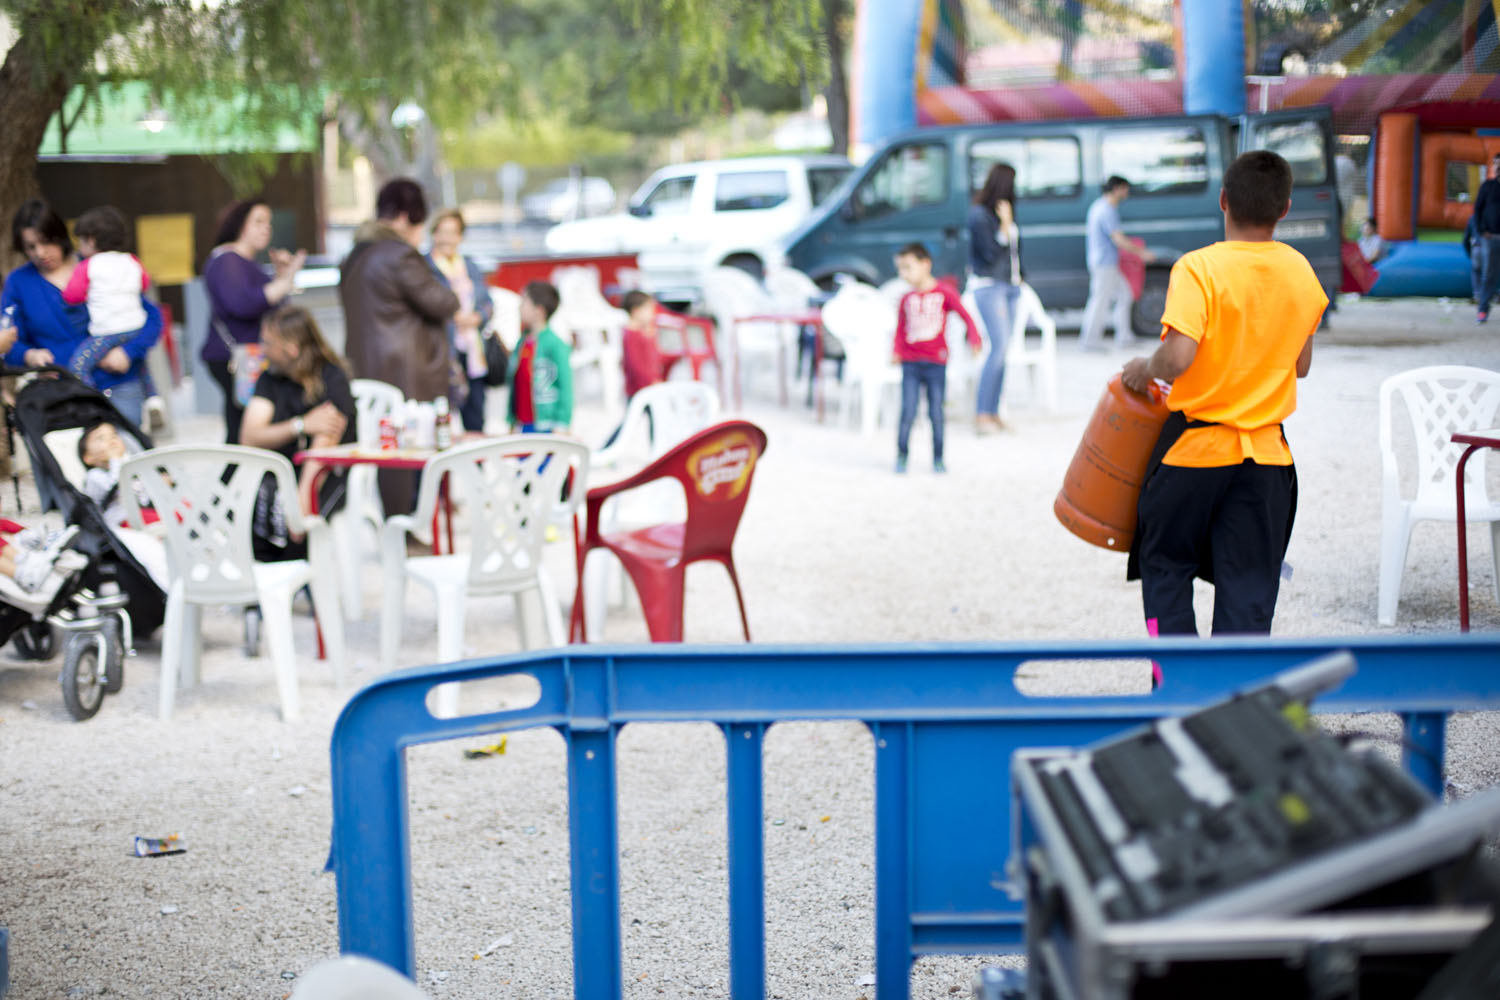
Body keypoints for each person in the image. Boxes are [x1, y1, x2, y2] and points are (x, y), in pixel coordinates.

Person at [1121, 150, 1326, 637]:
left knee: (1166, 569)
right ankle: (1238, 706)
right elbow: (1302, 366)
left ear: (1223, 201)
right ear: (1285, 209)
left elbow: (1177, 357)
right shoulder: (1301, 271)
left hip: (1194, 454)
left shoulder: (1198, 268)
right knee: (1250, 592)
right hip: (1267, 462)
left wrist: (1142, 370)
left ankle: (1177, 692)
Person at [340, 178, 459, 513]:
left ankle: (395, 523)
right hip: (406, 370)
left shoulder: (355, 255)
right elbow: (443, 302)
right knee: (409, 452)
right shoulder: (400, 255)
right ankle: (408, 527)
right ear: (407, 217)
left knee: (384, 450)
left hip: (367, 369)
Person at [2, 199, 161, 425]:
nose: (40, 252)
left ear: (61, 236)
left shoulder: (98, 264)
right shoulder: (19, 282)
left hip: (119, 385)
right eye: (30, 246)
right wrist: (30, 356)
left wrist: (129, 352)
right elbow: (7, 338)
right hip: (64, 395)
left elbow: (150, 318)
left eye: (47, 242)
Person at [239, 304, 355, 562]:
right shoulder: (270, 379)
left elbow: (326, 440)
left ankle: (302, 583)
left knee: (298, 517)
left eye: (268, 343)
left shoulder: (331, 377)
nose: (263, 349)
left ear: (291, 348)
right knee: (254, 504)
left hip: (326, 474)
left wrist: (304, 493)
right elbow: (250, 436)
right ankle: (267, 584)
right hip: (280, 472)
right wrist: (300, 425)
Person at [202, 198, 307, 444]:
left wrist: (281, 277)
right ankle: (234, 478)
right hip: (235, 358)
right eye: (258, 221)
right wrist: (286, 279)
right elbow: (244, 304)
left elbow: (275, 311)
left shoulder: (246, 263)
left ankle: (238, 477)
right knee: (242, 425)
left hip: (250, 356)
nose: (266, 228)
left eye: (268, 223)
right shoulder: (227, 260)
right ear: (239, 224)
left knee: (244, 422)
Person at [891, 243, 981, 474]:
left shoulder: (944, 293)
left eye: (907, 267)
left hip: (936, 363)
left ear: (925, 264)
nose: (903, 274)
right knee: (908, 411)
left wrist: (974, 338)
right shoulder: (906, 298)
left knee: (937, 413)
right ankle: (902, 455)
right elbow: (900, 328)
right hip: (910, 364)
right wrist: (896, 351)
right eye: (900, 268)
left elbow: (965, 316)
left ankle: (938, 458)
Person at [61, 206, 156, 400]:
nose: (79, 248)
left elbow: (72, 295)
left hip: (107, 332)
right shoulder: (132, 260)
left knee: (78, 365)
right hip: (135, 326)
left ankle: (96, 400)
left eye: (80, 242)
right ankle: (153, 398)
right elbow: (144, 283)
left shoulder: (88, 265)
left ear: (92, 240)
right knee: (140, 364)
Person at [426, 209, 494, 433]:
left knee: (475, 416)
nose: (447, 238)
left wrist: (477, 317)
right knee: (440, 418)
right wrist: (451, 316)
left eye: (452, 232)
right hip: (441, 351)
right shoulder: (425, 267)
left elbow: (488, 303)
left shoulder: (470, 266)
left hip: (472, 350)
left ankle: (476, 465)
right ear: (434, 234)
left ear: (460, 236)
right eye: (442, 232)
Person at [968, 162, 1022, 434]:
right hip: (990, 286)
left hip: (1011, 286)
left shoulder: (1006, 212)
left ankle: (994, 411)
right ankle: (982, 414)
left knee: (1004, 351)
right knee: (998, 348)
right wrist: (1005, 225)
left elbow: (1015, 251)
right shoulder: (980, 216)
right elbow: (990, 254)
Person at [1079, 176, 1154, 352]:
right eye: (1125, 188)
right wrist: (1141, 253)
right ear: (1117, 188)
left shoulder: (1101, 207)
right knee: (1100, 300)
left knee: (1125, 294)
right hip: (1104, 264)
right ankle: (1089, 341)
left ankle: (1124, 337)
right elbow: (1118, 239)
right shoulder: (1106, 210)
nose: (1127, 192)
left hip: (1106, 263)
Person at [506, 281, 573, 434]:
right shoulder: (522, 342)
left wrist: (562, 423)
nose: (520, 307)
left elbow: (566, 386)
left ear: (539, 311)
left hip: (547, 424)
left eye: (524, 302)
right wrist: (511, 419)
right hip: (523, 423)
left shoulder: (556, 344)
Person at [1473, 153, 1500, 323]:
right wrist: (1481, 232)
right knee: (1488, 274)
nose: (1498, 168)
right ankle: (1483, 309)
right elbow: (1477, 212)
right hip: (1489, 237)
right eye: (1496, 164)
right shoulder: (1487, 186)